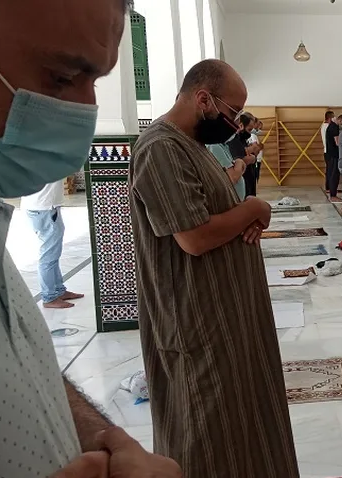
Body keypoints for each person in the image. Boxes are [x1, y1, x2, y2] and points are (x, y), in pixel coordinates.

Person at [0, 1, 181, 476]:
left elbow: (14, 369)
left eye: (96, 83)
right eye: (61, 77)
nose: (85, 111)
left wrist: (100, 437)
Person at [128, 59, 299, 477]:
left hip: (224, 310)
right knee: (203, 430)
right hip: (196, 320)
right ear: (203, 99)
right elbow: (194, 236)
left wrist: (246, 213)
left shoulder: (190, 145)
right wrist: (253, 209)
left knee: (239, 422)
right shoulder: (161, 148)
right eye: (231, 113)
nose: (234, 124)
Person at [21, 180, 86, 309]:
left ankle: (59, 290)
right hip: (44, 208)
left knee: (52, 254)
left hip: (42, 207)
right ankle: (49, 297)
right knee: (48, 257)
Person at [228, 114, 260, 197]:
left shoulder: (242, 139)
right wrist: (252, 158)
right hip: (243, 181)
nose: (249, 133)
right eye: (249, 129)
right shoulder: (233, 139)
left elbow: (255, 150)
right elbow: (240, 160)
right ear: (241, 125)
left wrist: (252, 154)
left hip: (249, 178)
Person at [325, 112, 342, 201]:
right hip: (334, 155)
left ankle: (332, 193)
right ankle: (333, 195)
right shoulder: (334, 127)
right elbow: (337, 142)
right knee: (334, 175)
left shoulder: (330, 126)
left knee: (331, 173)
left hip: (330, 154)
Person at [322, 110, 334, 192]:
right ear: (330, 118)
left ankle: (328, 187)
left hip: (326, 151)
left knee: (329, 169)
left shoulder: (323, 125)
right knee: (331, 170)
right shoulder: (328, 127)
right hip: (329, 151)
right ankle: (329, 187)